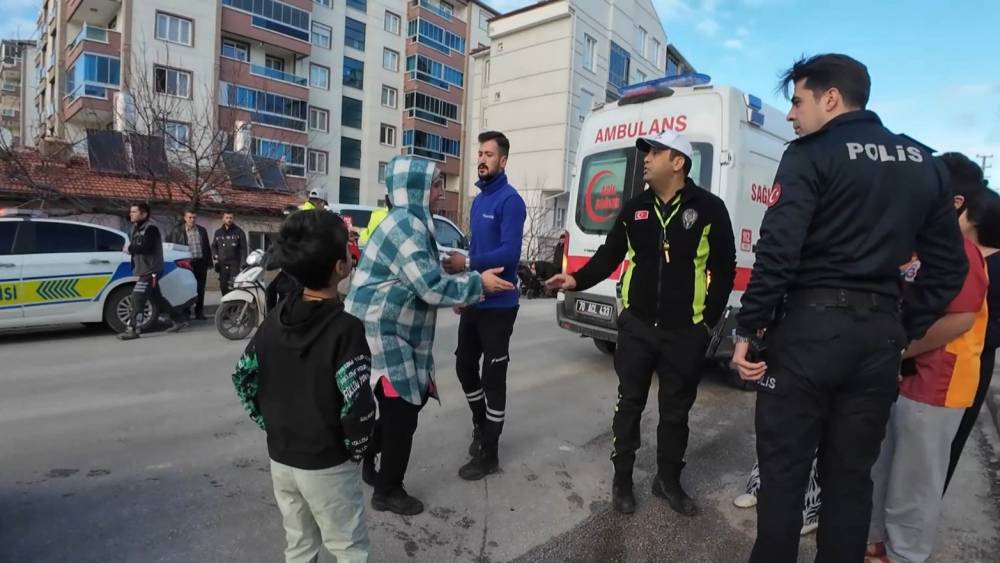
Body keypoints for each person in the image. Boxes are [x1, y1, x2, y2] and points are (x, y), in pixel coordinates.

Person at [730, 54, 968, 563]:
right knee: (849, 483)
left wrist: (748, 327)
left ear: (830, 97)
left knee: (784, 477)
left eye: (797, 101)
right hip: (878, 342)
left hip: (808, 335)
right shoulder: (923, 162)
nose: (792, 115)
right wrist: (901, 326)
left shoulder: (809, 154)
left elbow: (778, 251)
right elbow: (949, 270)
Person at [546, 129, 736, 515]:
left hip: (685, 333)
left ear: (678, 161)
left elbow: (724, 269)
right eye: (645, 152)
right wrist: (576, 279)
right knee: (629, 404)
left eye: (654, 152)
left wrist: (706, 324)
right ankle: (622, 479)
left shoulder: (710, 209)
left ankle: (668, 480)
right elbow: (609, 255)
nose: (645, 159)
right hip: (636, 328)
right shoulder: (635, 209)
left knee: (676, 412)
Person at [346, 155, 513, 516]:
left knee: (409, 401)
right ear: (416, 188)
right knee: (403, 409)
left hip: (396, 331)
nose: (441, 192)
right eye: (436, 185)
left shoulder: (414, 222)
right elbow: (429, 286)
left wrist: (459, 282)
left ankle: (373, 454)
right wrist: (475, 285)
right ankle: (388, 489)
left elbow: (428, 265)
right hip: (381, 331)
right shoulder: (405, 225)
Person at [230, 210, 375, 563]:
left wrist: (273, 425)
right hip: (327, 462)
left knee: (299, 544)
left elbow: (243, 377)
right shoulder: (346, 328)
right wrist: (357, 449)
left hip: (281, 457)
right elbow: (357, 406)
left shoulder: (273, 320)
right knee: (348, 548)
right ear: (341, 267)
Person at [866, 189, 1000, 563]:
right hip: (915, 380)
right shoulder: (940, 249)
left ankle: (905, 554)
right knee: (893, 470)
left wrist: (901, 349)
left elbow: (960, 319)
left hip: (940, 381)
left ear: (967, 214)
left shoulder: (963, 254)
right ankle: (883, 545)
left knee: (917, 482)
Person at [441, 131, 527, 481]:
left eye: (489, 154)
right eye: (480, 153)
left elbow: (509, 254)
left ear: (503, 160)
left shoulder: (511, 201)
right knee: (464, 366)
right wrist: (466, 289)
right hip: (477, 298)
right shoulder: (479, 201)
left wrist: (467, 263)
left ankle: (490, 453)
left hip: (500, 304)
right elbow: (478, 253)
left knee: (494, 377)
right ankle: (481, 424)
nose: (482, 159)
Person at [944, 154, 999, 489]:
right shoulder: (961, 256)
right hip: (947, 367)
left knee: (943, 450)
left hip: (963, 369)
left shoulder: (983, 266)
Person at [119, 203, 189, 340]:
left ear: (144, 214)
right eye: (131, 211)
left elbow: (147, 247)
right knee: (157, 298)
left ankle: (133, 328)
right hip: (144, 269)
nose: (131, 214)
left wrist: (130, 248)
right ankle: (179, 320)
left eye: (134, 212)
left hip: (151, 270)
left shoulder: (151, 229)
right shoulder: (135, 228)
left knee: (137, 297)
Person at [167, 209, 213, 320]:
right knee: (186, 288)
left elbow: (207, 247)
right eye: (190, 217)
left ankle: (199, 311)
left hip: (200, 262)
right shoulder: (177, 231)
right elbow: (173, 248)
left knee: (200, 288)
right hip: (186, 264)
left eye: (194, 217)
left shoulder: (202, 230)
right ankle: (186, 312)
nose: (192, 220)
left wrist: (209, 262)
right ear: (185, 218)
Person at [212, 211, 248, 295]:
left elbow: (243, 249)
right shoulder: (218, 232)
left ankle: (234, 306)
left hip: (234, 265)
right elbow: (214, 246)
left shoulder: (239, 232)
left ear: (233, 219)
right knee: (223, 286)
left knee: (234, 286)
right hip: (222, 265)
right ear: (223, 219)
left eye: (231, 218)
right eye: (227, 218)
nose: (229, 220)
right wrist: (215, 256)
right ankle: (226, 305)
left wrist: (243, 263)